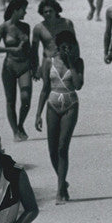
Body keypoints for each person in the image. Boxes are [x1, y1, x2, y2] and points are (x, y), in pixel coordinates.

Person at [35, 29, 85, 204]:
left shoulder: (78, 63)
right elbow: (44, 89)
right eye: (63, 47)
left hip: (70, 103)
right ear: (58, 47)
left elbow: (78, 85)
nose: (66, 50)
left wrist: (71, 62)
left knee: (62, 147)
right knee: (52, 150)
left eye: (69, 47)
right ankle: (63, 183)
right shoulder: (49, 63)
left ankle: (59, 191)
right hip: (52, 104)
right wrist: (38, 114)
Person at [0, 0, 35, 141]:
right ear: (16, 10)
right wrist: (12, 49)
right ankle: (15, 131)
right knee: (10, 100)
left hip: (24, 65)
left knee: (26, 98)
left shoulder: (26, 27)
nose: (25, 13)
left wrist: (35, 67)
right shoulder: (4, 27)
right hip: (9, 66)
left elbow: (29, 49)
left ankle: (21, 124)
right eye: (24, 9)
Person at [31, 0, 75, 70]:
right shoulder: (38, 28)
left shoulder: (67, 23)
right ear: (42, 14)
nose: (48, 13)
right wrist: (35, 67)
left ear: (56, 11)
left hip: (65, 61)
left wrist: (74, 62)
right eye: (45, 12)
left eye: (50, 11)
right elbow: (34, 51)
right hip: (48, 61)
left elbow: (74, 44)